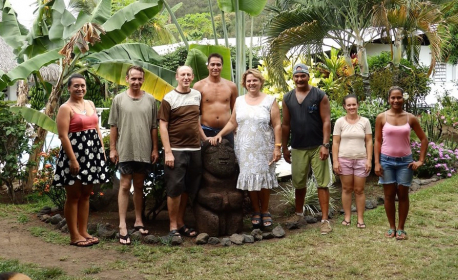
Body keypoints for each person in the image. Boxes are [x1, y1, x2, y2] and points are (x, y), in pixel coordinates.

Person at [209, 69, 282, 229]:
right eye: (249, 81)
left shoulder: (270, 100)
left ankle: (265, 210)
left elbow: (277, 125)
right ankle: (256, 210)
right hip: (244, 149)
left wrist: (277, 147)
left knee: (263, 180)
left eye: (255, 80)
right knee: (250, 179)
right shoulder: (240, 101)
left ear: (261, 82)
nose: (252, 83)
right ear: (245, 83)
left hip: (264, 147)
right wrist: (220, 134)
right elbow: (232, 122)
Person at [53, 74, 110, 247]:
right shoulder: (65, 108)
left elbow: (96, 130)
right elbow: (63, 135)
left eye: (83, 85)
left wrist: (102, 151)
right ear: (69, 88)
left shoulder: (90, 104)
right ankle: (74, 235)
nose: (80, 89)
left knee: (86, 195)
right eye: (76, 86)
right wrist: (73, 160)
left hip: (92, 155)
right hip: (75, 155)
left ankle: (83, 231)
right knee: (74, 195)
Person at [108, 66, 159, 245]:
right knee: (124, 184)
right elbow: (113, 126)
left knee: (139, 185)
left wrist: (154, 149)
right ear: (127, 79)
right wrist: (112, 149)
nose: (136, 82)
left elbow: (154, 126)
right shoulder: (119, 100)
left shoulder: (151, 100)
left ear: (143, 80)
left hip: (144, 149)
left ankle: (138, 220)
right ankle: (122, 224)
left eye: (139, 79)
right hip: (125, 149)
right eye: (133, 78)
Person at [282, 63, 335, 235]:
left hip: (317, 146)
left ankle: (325, 220)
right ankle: (299, 215)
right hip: (297, 147)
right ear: (293, 78)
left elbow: (326, 121)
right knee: (299, 183)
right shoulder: (287, 98)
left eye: (302, 76)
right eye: (296, 76)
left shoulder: (319, 95)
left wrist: (325, 145)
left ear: (308, 76)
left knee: (322, 183)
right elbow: (285, 124)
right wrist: (284, 147)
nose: (299, 79)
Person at [374, 86, 428, 240]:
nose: (396, 100)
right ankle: (392, 227)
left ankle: (401, 228)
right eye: (393, 98)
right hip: (386, 161)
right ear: (389, 99)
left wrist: (421, 160)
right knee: (389, 195)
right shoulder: (381, 117)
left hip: (406, 162)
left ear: (403, 98)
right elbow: (377, 141)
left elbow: (424, 139)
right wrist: (377, 163)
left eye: (399, 97)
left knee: (403, 195)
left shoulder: (410, 118)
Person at [159, 66, 202, 238]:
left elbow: (196, 122)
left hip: (195, 149)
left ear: (192, 77)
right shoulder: (169, 98)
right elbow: (163, 125)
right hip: (176, 150)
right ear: (176, 77)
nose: (185, 77)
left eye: (188, 74)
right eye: (182, 74)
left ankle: (181, 222)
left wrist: (205, 140)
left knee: (187, 189)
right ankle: (172, 227)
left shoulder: (197, 95)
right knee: (174, 189)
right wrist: (168, 152)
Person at [332, 94, 372, 229]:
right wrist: (335, 161)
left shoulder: (365, 122)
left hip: (361, 160)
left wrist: (369, 160)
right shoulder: (339, 122)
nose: (351, 107)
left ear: (358, 105)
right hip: (344, 159)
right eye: (348, 105)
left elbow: (369, 141)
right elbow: (335, 143)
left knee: (359, 190)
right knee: (346, 189)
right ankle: (347, 217)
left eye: (354, 104)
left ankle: (360, 219)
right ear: (344, 106)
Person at [193, 53, 238, 146]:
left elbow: (235, 111)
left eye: (218, 64)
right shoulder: (199, 86)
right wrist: (201, 135)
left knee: (229, 158)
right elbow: (194, 113)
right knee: (206, 159)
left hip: (226, 130)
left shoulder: (231, 86)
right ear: (208, 66)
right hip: (206, 130)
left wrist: (235, 130)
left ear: (222, 66)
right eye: (212, 64)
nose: (215, 67)